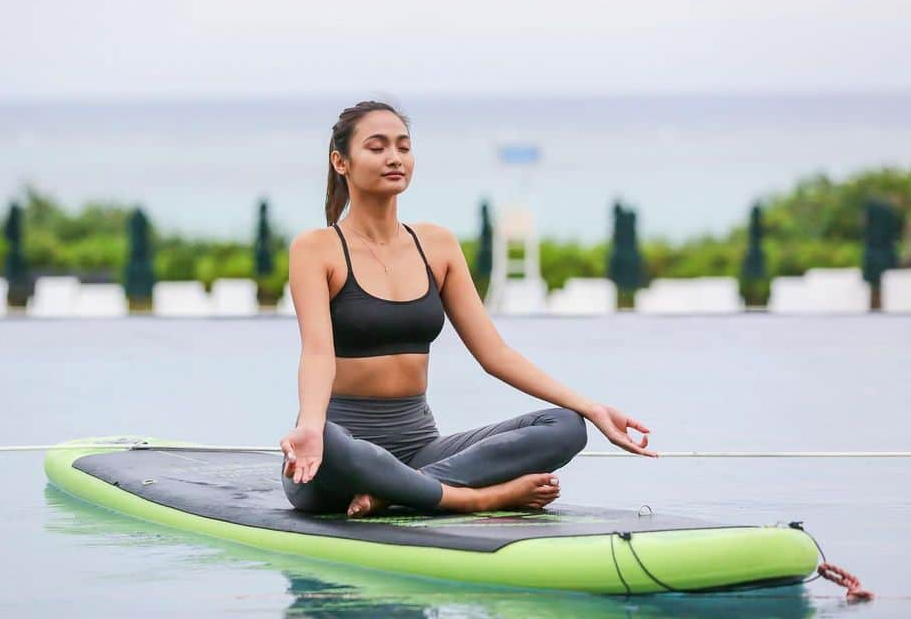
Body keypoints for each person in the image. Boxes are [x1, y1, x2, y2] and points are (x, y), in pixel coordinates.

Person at [280, 100, 657, 519]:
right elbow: (317, 353)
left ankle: (397, 491)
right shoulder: (316, 249)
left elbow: (494, 354)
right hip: (339, 456)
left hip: (420, 450)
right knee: (331, 443)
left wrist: (591, 407)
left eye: (403, 147)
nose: (394, 158)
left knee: (566, 427)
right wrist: (311, 426)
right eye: (377, 147)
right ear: (341, 161)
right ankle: (476, 497)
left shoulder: (436, 245)